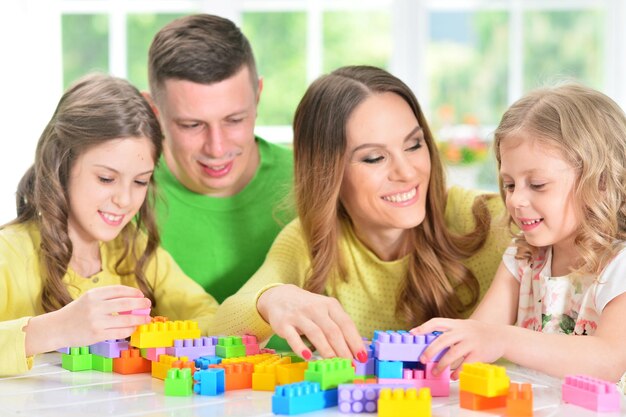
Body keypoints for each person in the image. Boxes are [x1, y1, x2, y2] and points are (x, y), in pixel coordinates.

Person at [212, 65, 509, 362]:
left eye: (414, 144)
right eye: (374, 158)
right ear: (329, 173)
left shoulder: (493, 221)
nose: (407, 172)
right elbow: (218, 332)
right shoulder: (311, 240)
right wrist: (271, 299)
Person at [0, 74, 218, 376]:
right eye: (106, 178)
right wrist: (54, 329)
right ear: (61, 164)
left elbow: (207, 315)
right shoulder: (8, 253)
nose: (125, 199)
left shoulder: (134, 248)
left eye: (140, 181)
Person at [415, 83, 626, 382]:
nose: (514, 200)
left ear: (600, 182)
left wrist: (503, 339)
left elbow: (608, 360)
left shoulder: (619, 265)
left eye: (537, 184)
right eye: (510, 184)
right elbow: (480, 337)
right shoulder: (524, 258)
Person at [146, 14, 294, 303]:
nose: (216, 148)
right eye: (192, 125)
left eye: (234, 120)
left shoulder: (314, 181)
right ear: (154, 112)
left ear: (258, 96)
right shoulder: (123, 197)